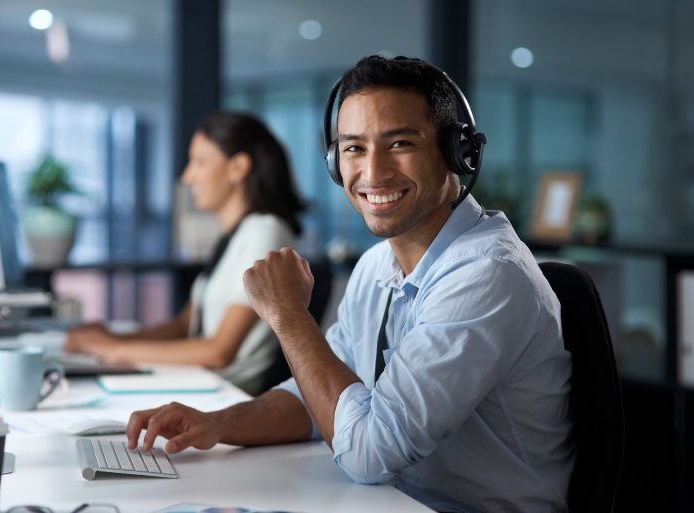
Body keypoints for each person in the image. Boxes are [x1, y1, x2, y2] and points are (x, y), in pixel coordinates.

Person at [125, 56, 574, 512]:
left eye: (400, 143)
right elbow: (313, 398)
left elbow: (369, 453)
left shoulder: (487, 275)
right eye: (354, 148)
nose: (373, 172)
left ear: (457, 153)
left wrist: (288, 317)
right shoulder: (378, 264)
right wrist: (216, 425)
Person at [65, 112, 305, 396]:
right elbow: (184, 325)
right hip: (199, 382)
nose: (187, 176)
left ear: (237, 167)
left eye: (200, 162)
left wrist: (113, 349)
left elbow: (218, 351)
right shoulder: (232, 237)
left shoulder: (265, 232)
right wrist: (113, 338)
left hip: (224, 394)